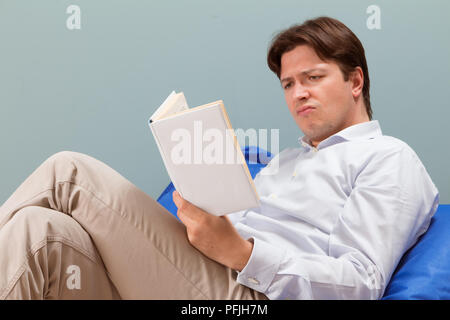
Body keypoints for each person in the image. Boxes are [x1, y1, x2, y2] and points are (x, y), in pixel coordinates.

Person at [0, 16, 439, 300]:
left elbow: (360, 284)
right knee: (39, 234)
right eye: (288, 84)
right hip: (195, 276)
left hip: (248, 296)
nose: (298, 92)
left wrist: (244, 253)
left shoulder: (388, 158)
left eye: (313, 77)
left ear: (356, 81)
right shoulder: (287, 160)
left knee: (68, 173)